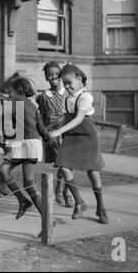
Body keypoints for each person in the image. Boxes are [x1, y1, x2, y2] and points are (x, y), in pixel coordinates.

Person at [49, 64, 109, 224]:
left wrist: (59, 131)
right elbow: (67, 117)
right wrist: (55, 125)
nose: (67, 86)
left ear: (80, 80)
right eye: (65, 84)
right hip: (71, 137)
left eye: (70, 83)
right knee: (63, 167)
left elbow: (79, 118)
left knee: (93, 174)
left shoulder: (85, 97)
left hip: (86, 138)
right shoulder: (68, 98)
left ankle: (101, 207)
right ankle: (80, 202)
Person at [0, 77, 47, 222]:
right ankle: (23, 201)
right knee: (3, 170)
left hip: (29, 144)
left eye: (11, 90)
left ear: (18, 90)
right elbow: (41, 127)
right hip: (24, 142)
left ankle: (48, 218)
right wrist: (49, 137)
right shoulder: (31, 105)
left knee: (28, 184)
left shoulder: (15, 102)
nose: (9, 93)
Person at [36, 61, 74, 208]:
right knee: (63, 163)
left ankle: (62, 192)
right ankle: (63, 192)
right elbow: (41, 117)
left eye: (56, 74)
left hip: (67, 132)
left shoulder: (68, 93)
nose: (53, 76)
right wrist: (46, 134)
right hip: (53, 135)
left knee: (66, 164)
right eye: (49, 74)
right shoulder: (43, 96)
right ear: (46, 77)